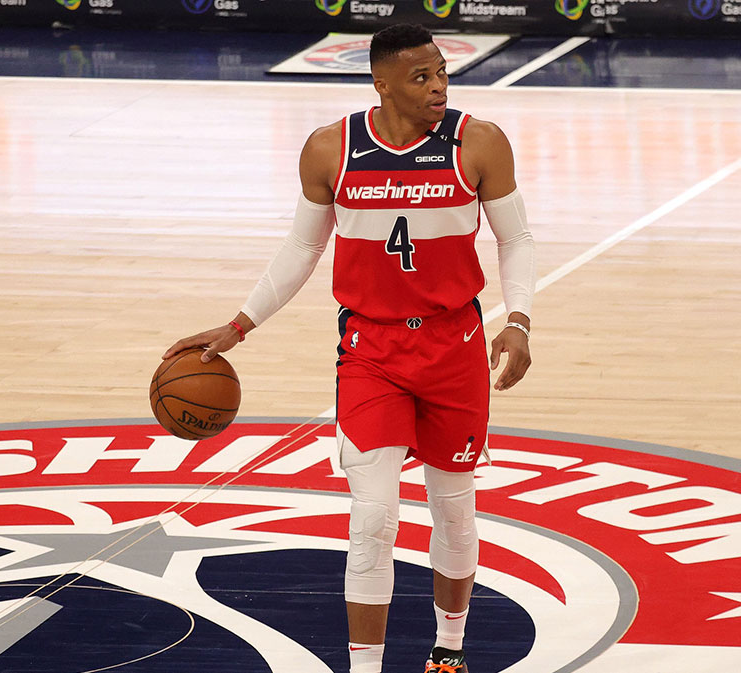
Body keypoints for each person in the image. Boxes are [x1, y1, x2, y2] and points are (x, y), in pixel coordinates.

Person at [163, 23, 535, 673]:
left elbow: (517, 238)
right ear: (381, 83)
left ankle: (449, 648)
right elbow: (303, 247)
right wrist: (238, 324)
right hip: (371, 349)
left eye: (443, 73)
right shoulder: (330, 149)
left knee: (453, 509)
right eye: (421, 78)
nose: (438, 86)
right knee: (374, 516)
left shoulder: (479, 142)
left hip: (456, 345)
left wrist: (521, 320)